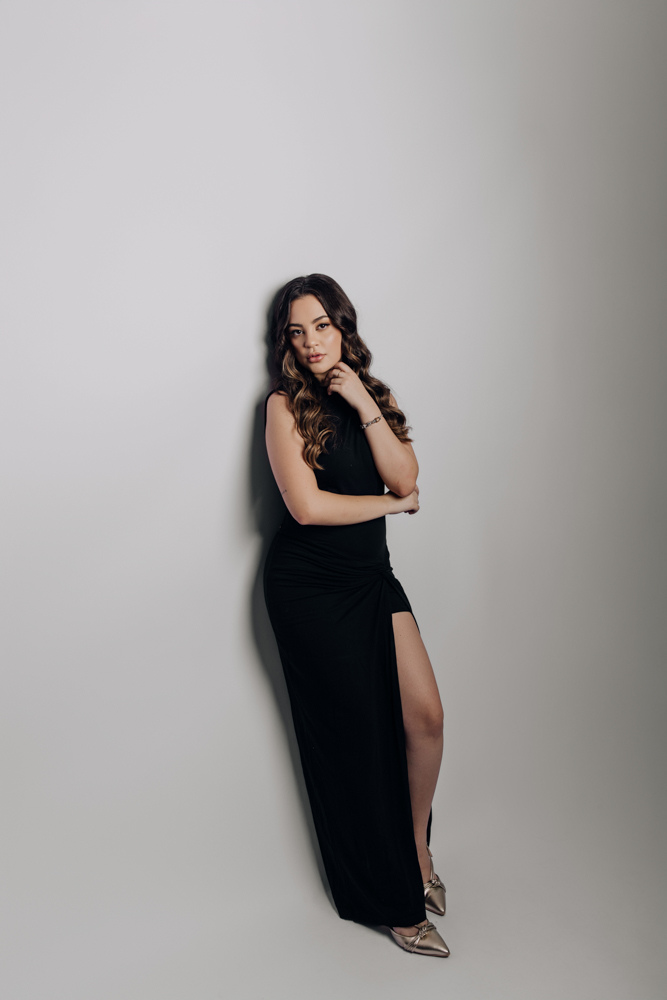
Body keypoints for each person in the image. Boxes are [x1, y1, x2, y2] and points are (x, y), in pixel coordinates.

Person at [263, 274, 448, 957]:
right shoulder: (282, 406)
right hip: (308, 589)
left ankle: (416, 852)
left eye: (321, 326)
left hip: (370, 578)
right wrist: (393, 508)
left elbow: (405, 475)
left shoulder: (371, 394)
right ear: (286, 342)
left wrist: (362, 400)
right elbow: (307, 507)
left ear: (343, 326)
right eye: (297, 332)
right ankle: (391, 899)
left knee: (424, 718)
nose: (311, 343)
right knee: (361, 742)